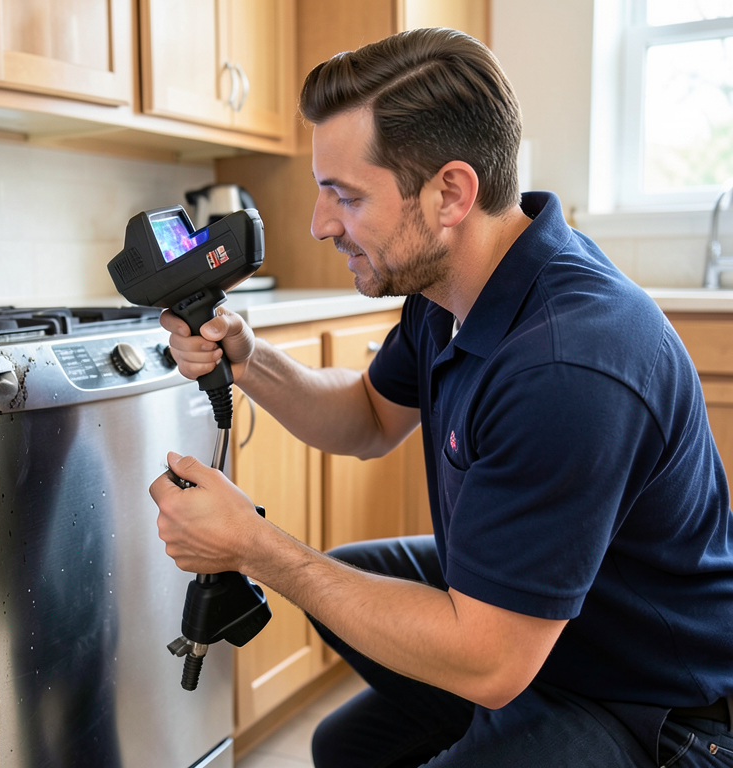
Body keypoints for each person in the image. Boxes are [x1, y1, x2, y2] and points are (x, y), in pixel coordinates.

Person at [148, 27, 733, 768]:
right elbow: (363, 419)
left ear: (450, 192)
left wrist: (257, 548)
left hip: (652, 704)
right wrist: (250, 358)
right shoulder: (450, 286)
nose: (320, 225)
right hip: (554, 636)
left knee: (346, 602)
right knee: (343, 738)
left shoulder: (568, 364)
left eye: (345, 196)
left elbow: (490, 662)